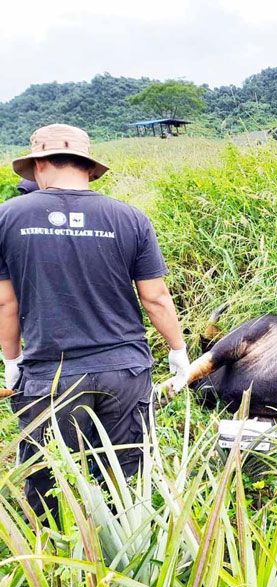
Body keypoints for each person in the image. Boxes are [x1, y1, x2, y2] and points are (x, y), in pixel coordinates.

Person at [0, 123, 191, 517]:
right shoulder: (130, 217)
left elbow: (6, 303)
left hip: (51, 377)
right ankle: (128, 548)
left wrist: (12, 360)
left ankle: (56, 552)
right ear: (88, 167)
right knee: (128, 480)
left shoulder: (7, 217)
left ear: (39, 165)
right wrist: (178, 351)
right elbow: (155, 297)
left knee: (50, 484)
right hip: (125, 372)